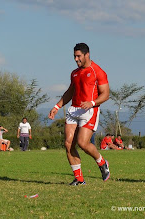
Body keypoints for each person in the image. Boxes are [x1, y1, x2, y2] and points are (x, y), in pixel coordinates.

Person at [48, 43, 110, 186]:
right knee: (68, 144)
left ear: (87, 54)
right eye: (75, 56)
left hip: (89, 110)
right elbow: (70, 92)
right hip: (74, 109)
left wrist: (92, 103)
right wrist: (57, 106)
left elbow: (106, 94)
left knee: (83, 143)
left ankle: (101, 162)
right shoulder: (74, 73)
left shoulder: (98, 71)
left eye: (78, 56)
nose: (76, 59)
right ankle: (79, 179)